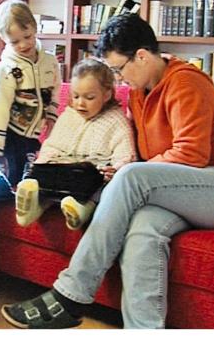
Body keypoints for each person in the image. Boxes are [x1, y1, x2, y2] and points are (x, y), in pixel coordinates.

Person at [0, 13, 214, 329]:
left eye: (119, 69)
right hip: (183, 194)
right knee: (142, 231)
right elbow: (142, 154)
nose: (118, 78)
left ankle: (71, 295)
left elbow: (191, 154)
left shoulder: (186, 82)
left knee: (131, 177)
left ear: (141, 56)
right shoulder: (139, 93)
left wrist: (128, 174)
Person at [15, 57, 136, 230]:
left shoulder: (116, 121)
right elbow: (52, 145)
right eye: (76, 96)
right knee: (43, 179)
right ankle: (34, 207)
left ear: (107, 95)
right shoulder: (68, 116)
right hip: (62, 173)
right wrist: (43, 162)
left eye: (89, 97)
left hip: (91, 177)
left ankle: (81, 210)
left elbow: (126, 155)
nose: (80, 103)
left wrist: (115, 169)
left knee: (103, 189)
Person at [0, 0, 62, 186]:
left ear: (35, 27)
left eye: (27, 36)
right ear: (4, 39)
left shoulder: (50, 62)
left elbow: (55, 89)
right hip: (9, 134)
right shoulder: (7, 68)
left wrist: (51, 115)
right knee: (11, 177)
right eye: (15, 41)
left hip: (32, 135)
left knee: (32, 175)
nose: (23, 45)